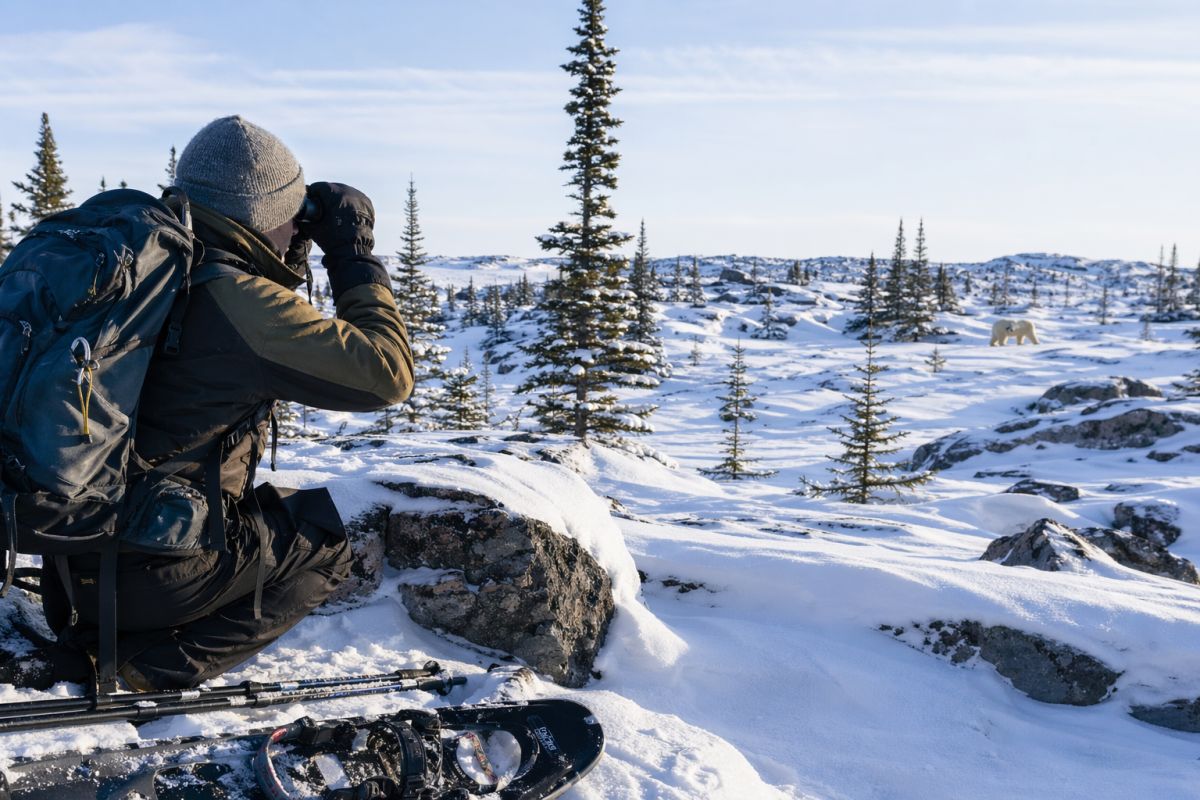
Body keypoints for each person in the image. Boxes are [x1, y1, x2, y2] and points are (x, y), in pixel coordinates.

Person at [4, 115, 413, 691]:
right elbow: (386, 375)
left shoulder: (143, 275)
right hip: (155, 582)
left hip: (69, 570)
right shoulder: (238, 300)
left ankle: (109, 636)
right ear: (262, 215)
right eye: (291, 213)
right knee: (324, 543)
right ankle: (137, 669)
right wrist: (353, 256)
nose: (297, 227)